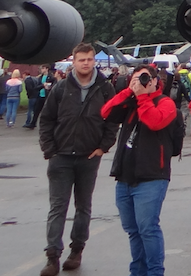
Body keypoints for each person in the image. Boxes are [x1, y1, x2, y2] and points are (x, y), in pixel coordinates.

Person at [38, 43, 119, 276]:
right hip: (60, 157)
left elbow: (112, 120)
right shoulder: (61, 88)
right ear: (73, 61)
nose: (86, 63)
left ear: (95, 61)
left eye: (89, 59)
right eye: (81, 59)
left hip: (88, 156)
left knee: (83, 207)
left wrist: (103, 147)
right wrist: (50, 150)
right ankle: (52, 256)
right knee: (57, 208)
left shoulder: (104, 88)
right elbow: (47, 120)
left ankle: (77, 250)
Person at [101, 63, 178, 276]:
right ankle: (138, 272)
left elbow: (155, 122)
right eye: (137, 78)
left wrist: (143, 97)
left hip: (152, 176)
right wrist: (129, 90)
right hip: (125, 176)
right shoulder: (131, 101)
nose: (142, 83)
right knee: (133, 231)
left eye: (145, 79)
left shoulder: (166, 103)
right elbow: (106, 112)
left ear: (155, 81)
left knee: (148, 229)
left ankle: (154, 272)